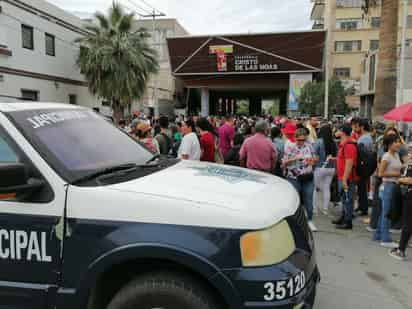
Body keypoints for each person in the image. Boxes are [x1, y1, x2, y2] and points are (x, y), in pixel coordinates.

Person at [283, 128, 318, 232]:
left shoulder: (309, 146)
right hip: (294, 177)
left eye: (303, 140)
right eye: (299, 140)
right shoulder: (290, 147)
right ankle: (295, 222)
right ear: (295, 138)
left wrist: (313, 161)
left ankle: (310, 220)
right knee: (295, 200)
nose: (301, 142)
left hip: (307, 176)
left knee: (309, 199)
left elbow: (315, 158)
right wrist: (295, 158)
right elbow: (284, 163)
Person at [374, 135, 403, 248]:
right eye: (396, 142)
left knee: (384, 212)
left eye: (399, 142)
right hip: (387, 186)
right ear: (390, 144)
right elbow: (380, 173)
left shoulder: (396, 155)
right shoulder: (386, 156)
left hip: (393, 186)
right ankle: (385, 239)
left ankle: (378, 235)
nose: (399, 144)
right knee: (387, 213)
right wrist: (397, 174)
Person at [333, 124, 358, 230]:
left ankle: (348, 222)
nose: (335, 131)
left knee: (348, 199)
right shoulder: (344, 144)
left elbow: (349, 163)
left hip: (347, 178)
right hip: (342, 176)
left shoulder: (349, 145)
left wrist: (344, 179)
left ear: (342, 131)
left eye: (337, 129)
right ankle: (343, 217)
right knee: (344, 198)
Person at [314, 124, 338, 215]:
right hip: (331, 168)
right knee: (326, 187)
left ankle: (314, 209)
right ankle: (325, 209)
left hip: (320, 167)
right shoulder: (334, 142)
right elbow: (336, 155)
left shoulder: (318, 142)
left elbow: (315, 155)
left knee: (315, 189)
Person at [355, 118, 375, 216]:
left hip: (363, 166)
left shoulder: (364, 138)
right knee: (362, 187)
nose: (355, 128)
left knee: (362, 187)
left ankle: (363, 208)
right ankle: (361, 206)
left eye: (357, 126)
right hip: (366, 166)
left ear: (362, 127)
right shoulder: (367, 137)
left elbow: (361, 153)